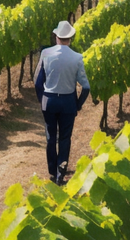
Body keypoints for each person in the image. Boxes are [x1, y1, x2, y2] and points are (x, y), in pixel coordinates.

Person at [34, 20, 91, 184]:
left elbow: (38, 83)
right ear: (70, 38)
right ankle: (61, 172)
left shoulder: (46, 54)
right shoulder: (77, 58)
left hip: (49, 101)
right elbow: (85, 87)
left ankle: (52, 170)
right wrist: (78, 105)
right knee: (65, 138)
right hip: (68, 103)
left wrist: (42, 100)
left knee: (51, 137)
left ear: (56, 37)